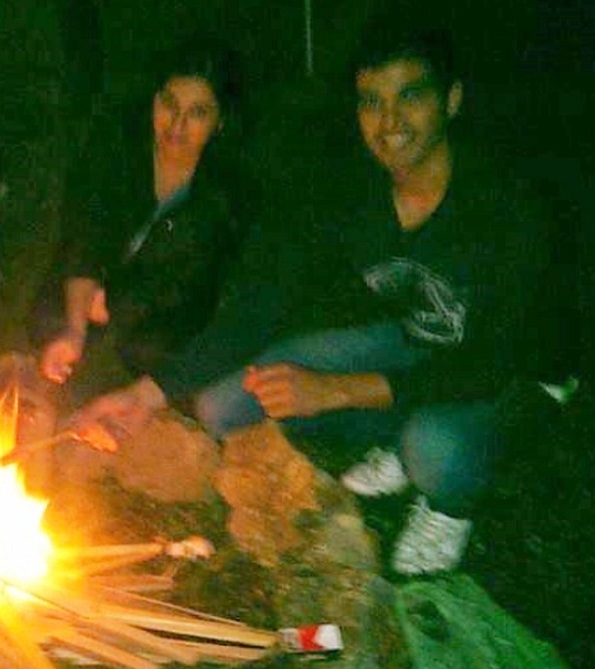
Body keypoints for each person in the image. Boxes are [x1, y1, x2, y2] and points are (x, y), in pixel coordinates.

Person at [75, 20, 553, 576]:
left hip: (513, 368)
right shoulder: (349, 189)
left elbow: (493, 358)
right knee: (225, 404)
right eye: (372, 101)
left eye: (411, 97)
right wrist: (148, 394)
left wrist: (336, 390)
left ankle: (445, 498)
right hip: (414, 339)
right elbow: (259, 304)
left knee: (437, 448)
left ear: (451, 100)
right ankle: (395, 433)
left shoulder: (509, 202)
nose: (390, 122)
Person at [36, 39, 243, 401]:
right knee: (50, 318)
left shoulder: (225, 189)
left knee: (150, 349)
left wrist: (113, 303)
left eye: (197, 113)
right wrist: (75, 325)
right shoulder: (115, 145)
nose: (176, 125)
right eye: (169, 104)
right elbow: (86, 231)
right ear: (154, 99)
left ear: (219, 121)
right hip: (97, 285)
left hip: (162, 311)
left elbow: (187, 282)